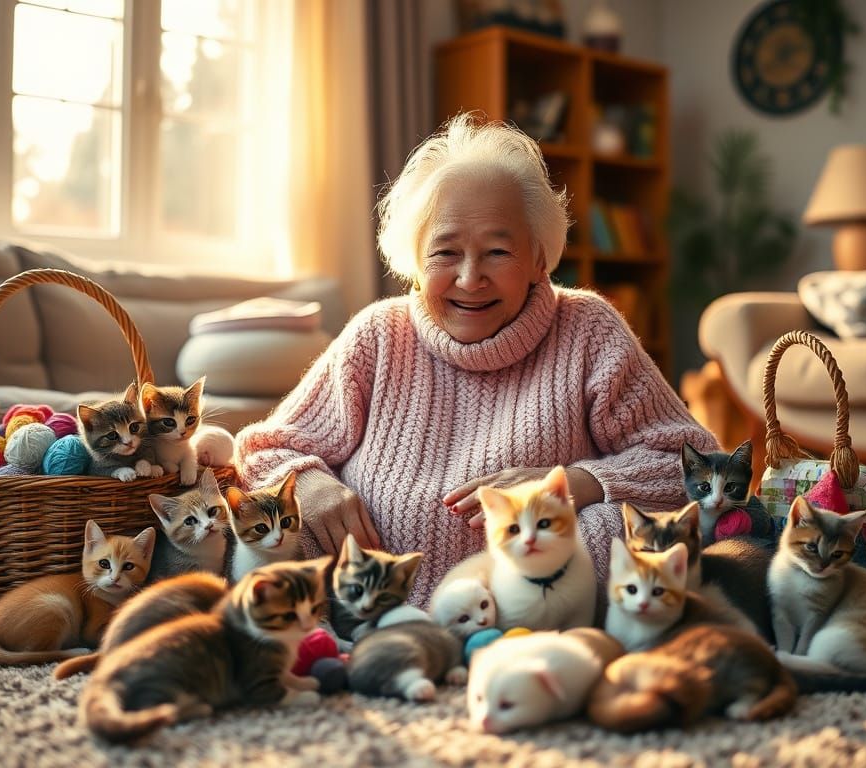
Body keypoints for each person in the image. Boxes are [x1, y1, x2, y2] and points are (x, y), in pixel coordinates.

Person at [236, 114, 717, 605]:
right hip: (365, 606)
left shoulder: (587, 329)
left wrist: (577, 483)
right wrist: (312, 486)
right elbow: (264, 450)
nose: (469, 279)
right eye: (445, 252)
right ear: (414, 259)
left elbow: (691, 466)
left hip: (535, 608)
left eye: (496, 252)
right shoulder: (378, 335)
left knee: (610, 528)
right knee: (276, 531)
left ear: (538, 256)